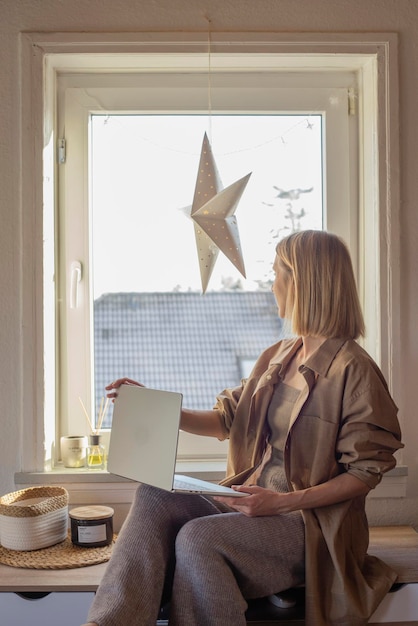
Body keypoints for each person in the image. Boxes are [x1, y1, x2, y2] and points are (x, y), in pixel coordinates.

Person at [82, 229, 403, 626]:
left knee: (199, 537)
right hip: (252, 502)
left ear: (303, 283)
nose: (272, 286)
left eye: (277, 275)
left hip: (308, 524)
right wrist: (155, 405)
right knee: (153, 495)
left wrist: (280, 502)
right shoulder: (279, 355)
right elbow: (228, 419)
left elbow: (364, 473)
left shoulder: (354, 370)